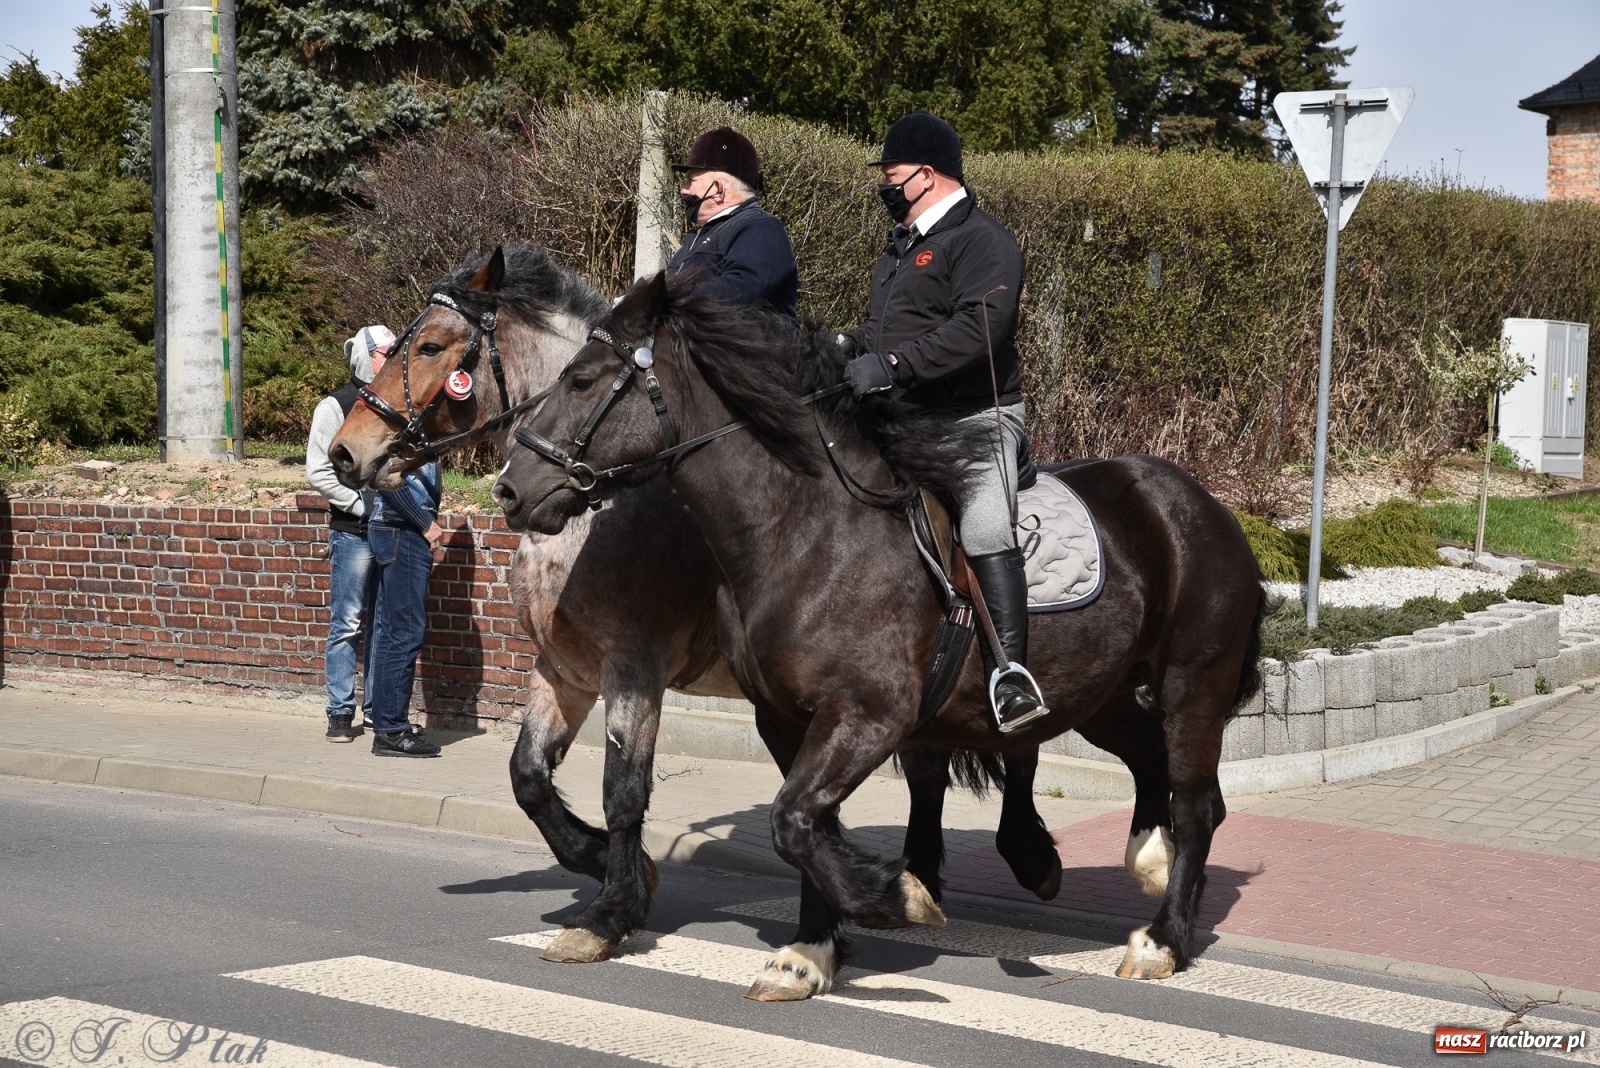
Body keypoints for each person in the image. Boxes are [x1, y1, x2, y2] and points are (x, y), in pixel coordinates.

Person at [839, 111, 1047, 733]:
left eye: (892, 175)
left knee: (983, 525)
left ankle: (1010, 674)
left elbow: (979, 329)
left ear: (926, 176)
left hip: (977, 419)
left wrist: (894, 365)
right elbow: (881, 333)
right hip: (907, 417)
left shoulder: (985, 241)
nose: (885, 186)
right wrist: (845, 354)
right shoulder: (900, 247)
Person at [306, 325, 394, 743]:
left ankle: (378, 712)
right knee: (347, 622)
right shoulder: (336, 406)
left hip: (390, 531)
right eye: (385, 354)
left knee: (382, 624)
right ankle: (339, 713)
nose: (392, 360)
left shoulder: (395, 402)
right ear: (365, 356)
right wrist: (362, 506)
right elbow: (318, 470)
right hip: (354, 532)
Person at [668, 127, 799, 316]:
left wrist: (667, 298)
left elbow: (741, 289)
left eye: (690, 180)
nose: (684, 190)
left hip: (753, 344)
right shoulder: (700, 236)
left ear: (718, 189)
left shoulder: (760, 227)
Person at [366, 455, 445, 757]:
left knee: (392, 633)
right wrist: (426, 522)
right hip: (403, 530)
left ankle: (388, 727)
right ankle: (391, 730)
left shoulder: (405, 427)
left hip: (396, 529)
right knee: (405, 634)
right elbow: (387, 481)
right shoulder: (404, 427)